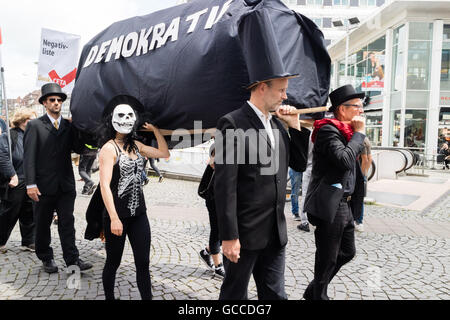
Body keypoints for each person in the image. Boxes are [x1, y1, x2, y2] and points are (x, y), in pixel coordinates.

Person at [214, 75, 309, 300]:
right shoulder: (233, 122)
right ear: (263, 88)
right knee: (234, 296)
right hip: (244, 234)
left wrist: (295, 126)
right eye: (282, 90)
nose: (286, 96)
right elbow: (225, 184)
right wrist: (229, 236)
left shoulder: (278, 124)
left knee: (276, 295)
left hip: (275, 232)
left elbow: (299, 164)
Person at [96, 95, 169, 300]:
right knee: (113, 261)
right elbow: (104, 185)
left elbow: (164, 154)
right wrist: (114, 218)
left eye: (130, 115)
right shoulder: (109, 149)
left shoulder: (136, 145)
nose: (126, 119)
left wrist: (156, 131)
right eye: (122, 115)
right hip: (117, 215)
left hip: (139, 214)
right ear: (113, 119)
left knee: (143, 263)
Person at [303, 84, 366, 300]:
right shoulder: (328, 130)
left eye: (361, 106)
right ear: (342, 109)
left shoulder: (346, 132)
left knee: (347, 252)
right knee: (327, 257)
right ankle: (318, 295)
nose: (361, 111)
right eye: (357, 106)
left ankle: (313, 291)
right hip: (331, 202)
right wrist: (358, 135)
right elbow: (344, 161)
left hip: (345, 203)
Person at [23, 83, 93, 274]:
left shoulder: (69, 126)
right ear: (45, 103)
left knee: (67, 223)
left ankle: (72, 260)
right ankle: (46, 258)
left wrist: (81, 128)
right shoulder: (35, 125)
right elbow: (29, 157)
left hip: (65, 186)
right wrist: (30, 184)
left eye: (59, 100)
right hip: (42, 187)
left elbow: (79, 148)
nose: (56, 103)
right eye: (52, 100)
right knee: (43, 224)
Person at [0, 108, 37, 253]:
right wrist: (12, 175)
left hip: (30, 178)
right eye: (31, 120)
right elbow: (2, 156)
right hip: (16, 178)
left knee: (30, 211)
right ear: (23, 121)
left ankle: (28, 241)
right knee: (9, 212)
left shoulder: (32, 135)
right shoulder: (9, 136)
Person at [198, 143, 225, 278]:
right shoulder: (220, 146)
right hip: (215, 196)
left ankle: (207, 251)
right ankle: (218, 266)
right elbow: (213, 163)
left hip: (229, 196)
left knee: (224, 230)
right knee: (217, 230)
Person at [297, 127, 314, 233]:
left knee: (305, 195)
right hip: (318, 169)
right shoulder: (323, 132)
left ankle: (304, 222)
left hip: (308, 167)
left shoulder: (309, 134)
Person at [355, 137, 372, 232]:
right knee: (359, 198)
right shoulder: (366, 139)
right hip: (363, 174)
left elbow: (365, 160)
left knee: (357, 198)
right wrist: (365, 174)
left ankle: (358, 221)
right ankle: (358, 221)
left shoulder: (360, 140)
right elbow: (370, 159)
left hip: (359, 175)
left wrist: (360, 176)